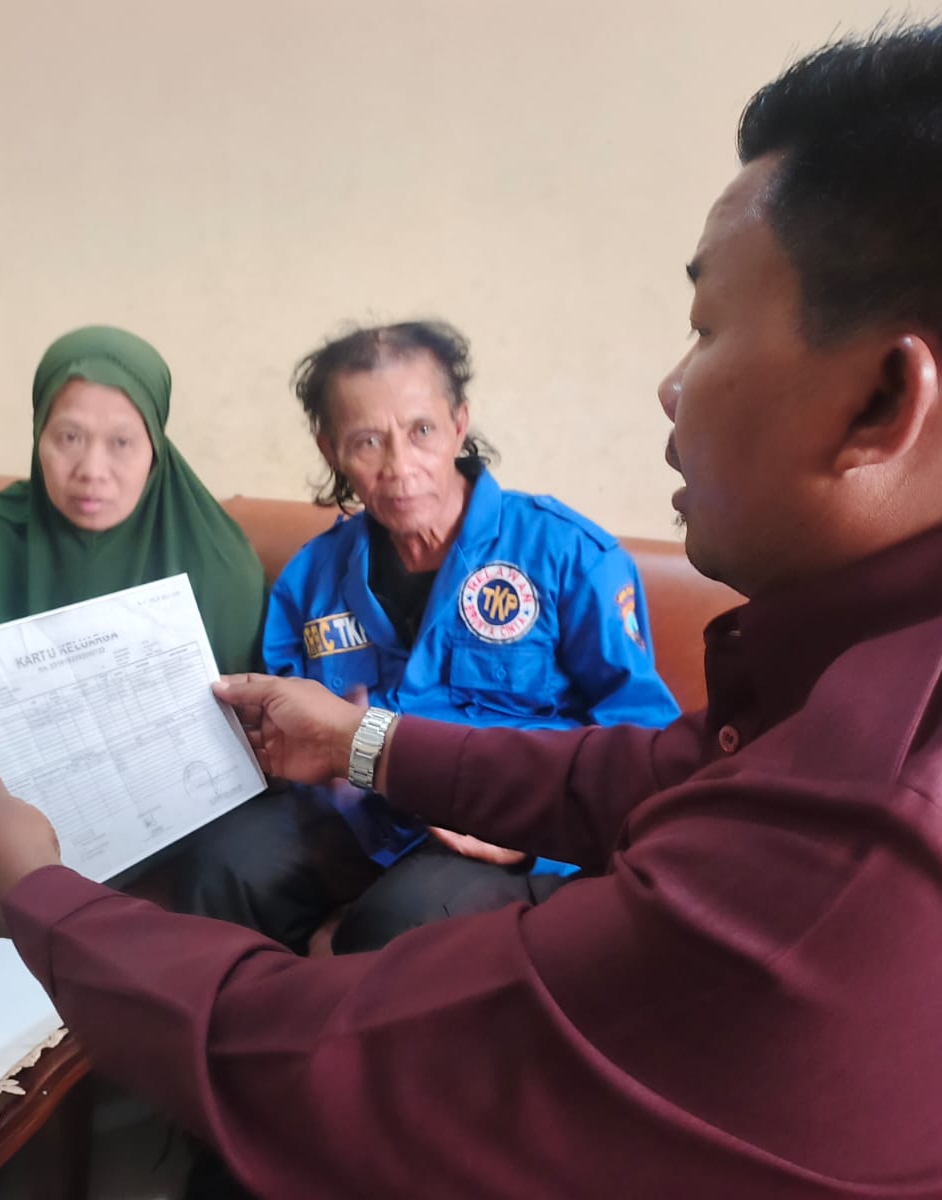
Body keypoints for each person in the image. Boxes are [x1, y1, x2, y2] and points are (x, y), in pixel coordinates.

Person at [0, 4, 942, 1194]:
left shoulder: (868, 852)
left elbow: (345, 1064)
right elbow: (662, 770)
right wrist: (356, 740)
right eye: (363, 441)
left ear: (883, 400)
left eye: (707, 328)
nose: (672, 386)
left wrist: (31, 896)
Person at [176, 320, 677, 953]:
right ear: (331, 449)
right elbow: (284, 725)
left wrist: (534, 837)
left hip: (498, 827)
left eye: (421, 431)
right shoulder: (311, 578)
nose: (399, 467)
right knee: (219, 868)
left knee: (401, 924)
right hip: (357, 816)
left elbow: (646, 743)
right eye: (367, 441)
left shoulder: (567, 555)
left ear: (459, 425)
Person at [0, 325, 265, 922]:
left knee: (35, 863)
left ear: (155, 444)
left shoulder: (216, 558)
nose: (91, 469)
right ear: (38, 434)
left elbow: (224, 736)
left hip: (144, 784)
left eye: (121, 442)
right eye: (68, 437)